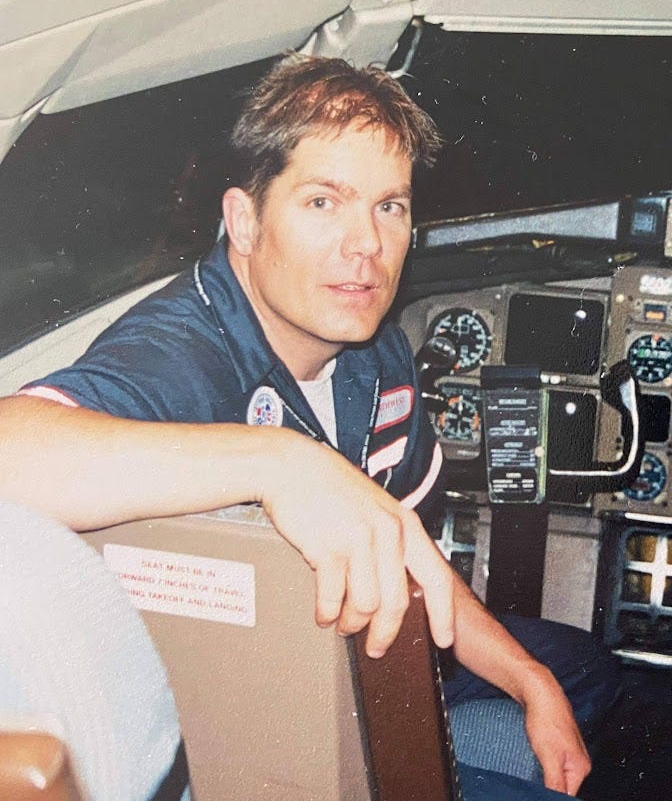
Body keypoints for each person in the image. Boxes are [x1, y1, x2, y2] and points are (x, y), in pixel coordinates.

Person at [0, 54, 619, 799]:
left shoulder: (374, 348)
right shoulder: (182, 350)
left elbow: (409, 552)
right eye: (324, 202)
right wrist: (281, 462)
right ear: (245, 221)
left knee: (581, 669)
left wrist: (527, 679)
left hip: (351, 644)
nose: (367, 245)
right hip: (244, 721)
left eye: (389, 207)